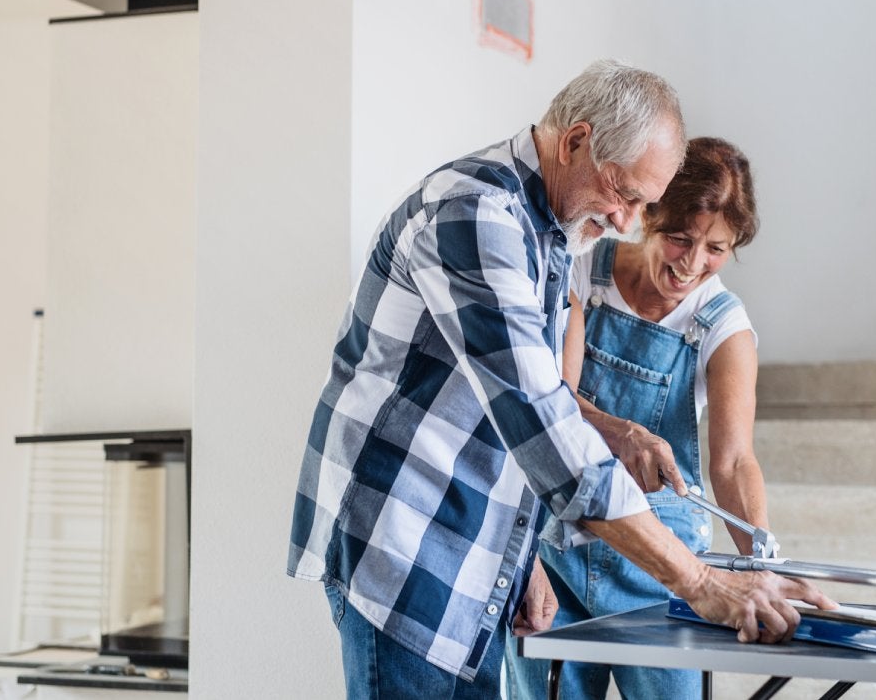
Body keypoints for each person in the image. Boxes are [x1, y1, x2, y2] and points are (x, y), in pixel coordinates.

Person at [287, 61, 834, 699]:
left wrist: (523, 547)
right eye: (626, 195)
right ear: (575, 142)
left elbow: (529, 402)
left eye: (643, 205)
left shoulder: (551, 228)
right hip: (407, 536)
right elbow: (543, 425)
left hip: (474, 542)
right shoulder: (476, 215)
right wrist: (702, 583)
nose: (627, 223)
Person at [505, 137, 773, 700]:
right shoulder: (581, 272)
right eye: (680, 238)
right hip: (558, 555)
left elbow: (732, 462)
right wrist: (622, 431)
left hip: (662, 572)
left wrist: (760, 563)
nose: (692, 264)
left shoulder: (724, 326)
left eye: (716, 248)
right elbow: (553, 401)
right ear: (649, 214)